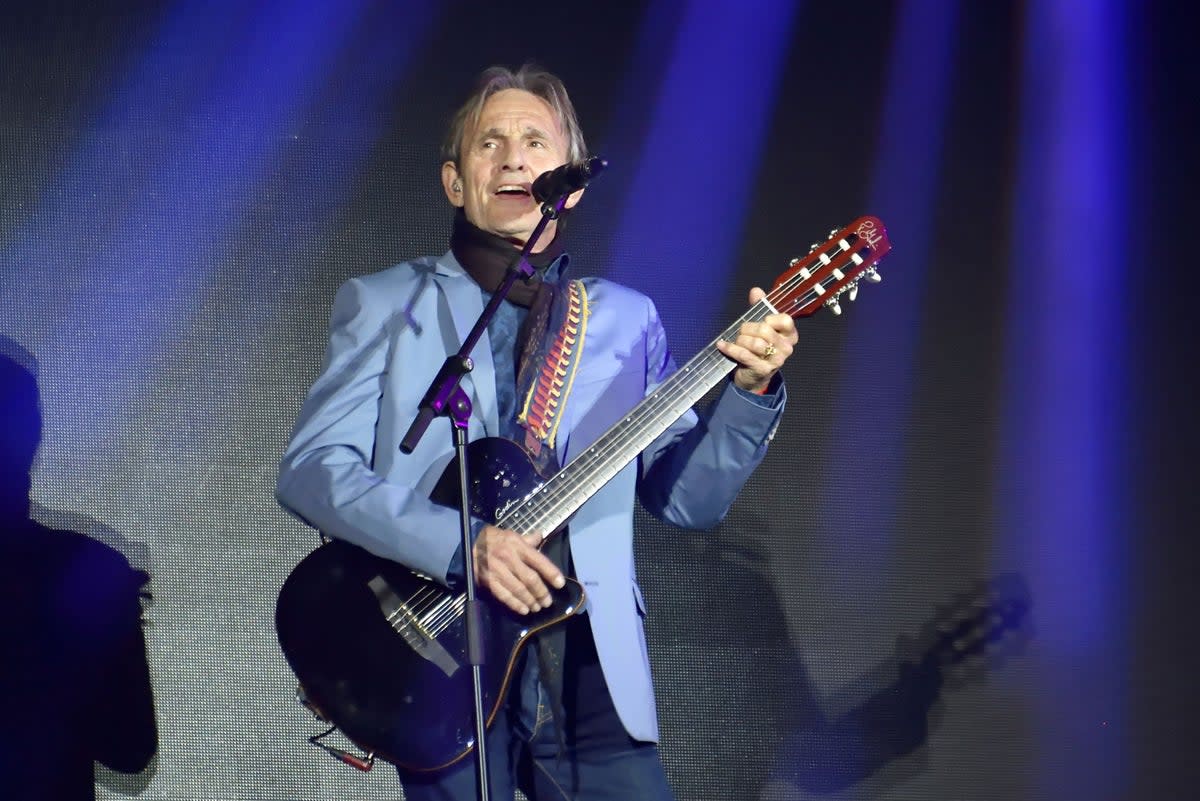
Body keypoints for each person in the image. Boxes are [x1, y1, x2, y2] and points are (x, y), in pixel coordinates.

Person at [276, 64, 797, 800]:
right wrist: (464, 546)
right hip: (443, 652)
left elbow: (687, 500)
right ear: (456, 182)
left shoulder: (624, 319)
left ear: (572, 183)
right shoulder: (389, 302)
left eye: (533, 141)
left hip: (591, 657)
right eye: (489, 144)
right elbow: (312, 468)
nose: (514, 158)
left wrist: (752, 390)